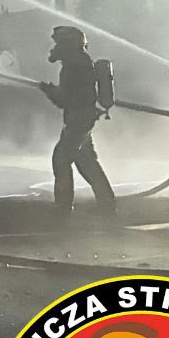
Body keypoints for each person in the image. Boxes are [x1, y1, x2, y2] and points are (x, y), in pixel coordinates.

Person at [41, 25, 115, 220]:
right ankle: (107, 204)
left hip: (78, 119)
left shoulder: (74, 64)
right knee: (87, 162)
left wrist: (50, 91)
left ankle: (63, 208)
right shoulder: (79, 61)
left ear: (68, 44)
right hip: (81, 118)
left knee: (61, 159)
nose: (55, 47)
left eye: (59, 43)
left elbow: (66, 99)